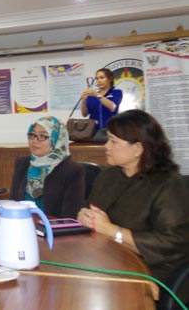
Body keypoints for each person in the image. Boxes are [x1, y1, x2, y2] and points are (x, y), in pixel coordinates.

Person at [77, 110, 189, 284]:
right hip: (106, 261)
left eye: (113, 141)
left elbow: (172, 244)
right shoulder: (109, 176)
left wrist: (110, 230)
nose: (106, 146)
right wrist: (83, 217)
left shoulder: (169, 185)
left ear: (138, 148)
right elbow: (90, 211)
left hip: (152, 274)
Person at [9, 116, 85, 218]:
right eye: (32, 135)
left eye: (42, 136)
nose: (35, 141)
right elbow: (13, 203)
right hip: (22, 224)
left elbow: (70, 215)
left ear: (56, 139)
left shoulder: (72, 171)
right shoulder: (22, 164)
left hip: (54, 230)